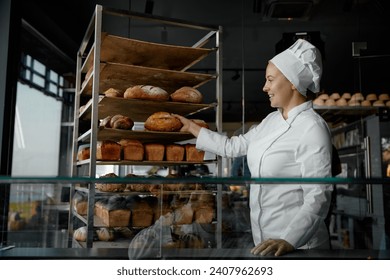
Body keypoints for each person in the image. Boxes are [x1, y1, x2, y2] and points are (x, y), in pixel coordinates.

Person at [173, 39, 333, 257]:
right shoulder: (271, 120)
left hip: (300, 246)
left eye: (270, 80)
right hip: (265, 241)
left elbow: (319, 194)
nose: (264, 87)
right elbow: (233, 146)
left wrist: (290, 239)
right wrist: (192, 128)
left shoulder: (312, 128)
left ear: (292, 82)